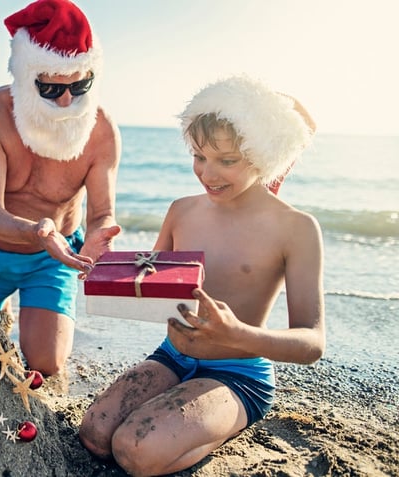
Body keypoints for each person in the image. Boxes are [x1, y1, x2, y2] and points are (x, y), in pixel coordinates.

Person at [78, 75, 323, 476]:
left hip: (237, 370)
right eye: (199, 156)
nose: (208, 174)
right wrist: (103, 267)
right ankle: (185, 409)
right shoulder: (182, 210)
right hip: (171, 356)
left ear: (264, 156)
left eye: (227, 161)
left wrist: (239, 335)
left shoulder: (295, 228)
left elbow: (311, 343)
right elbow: (148, 288)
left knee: (134, 450)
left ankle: (218, 414)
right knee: (95, 433)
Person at [0, 0, 122, 381]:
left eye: (79, 85)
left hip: (57, 257)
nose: (67, 100)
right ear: (24, 77)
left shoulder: (101, 129)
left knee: (46, 366)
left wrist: (102, 235)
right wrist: (39, 231)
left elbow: (101, 213)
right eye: (50, 88)